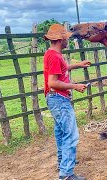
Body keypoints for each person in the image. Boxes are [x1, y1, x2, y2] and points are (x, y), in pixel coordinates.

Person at [43, 24, 90, 180]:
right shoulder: (55, 56)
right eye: (66, 38)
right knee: (71, 135)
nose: (67, 41)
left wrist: (78, 64)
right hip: (59, 99)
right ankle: (66, 174)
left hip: (54, 99)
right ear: (60, 39)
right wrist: (74, 86)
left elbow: (61, 69)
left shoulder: (51, 54)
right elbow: (53, 82)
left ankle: (63, 163)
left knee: (61, 133)